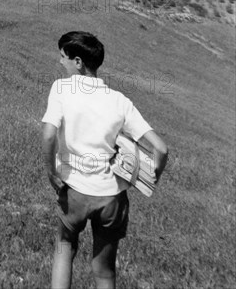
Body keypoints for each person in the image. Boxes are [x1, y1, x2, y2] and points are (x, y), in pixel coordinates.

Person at [41, 32, 168, 289]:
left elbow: (48, 134)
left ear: (78, 62)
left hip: (74, 191)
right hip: (112, 198)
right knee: (104, 271)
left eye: (63, 57)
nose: (60, 62)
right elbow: (161, 149)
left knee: (64, 249)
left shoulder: (62, 88)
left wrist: (51, 172)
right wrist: (149, 179)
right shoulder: (119, 101)